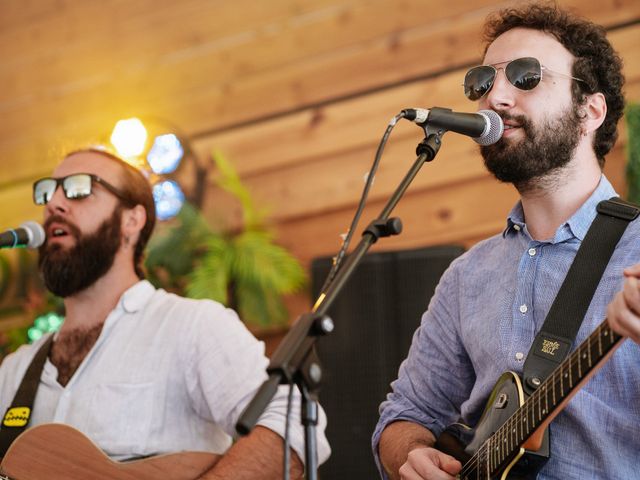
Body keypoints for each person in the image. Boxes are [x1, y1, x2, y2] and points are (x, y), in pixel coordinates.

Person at [373, 3, 639, 479]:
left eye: (526, 76)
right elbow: (404, 414)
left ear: (590, 111)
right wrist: (409, 454)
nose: (495, 96)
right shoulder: (467, 276)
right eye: (482, 81)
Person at [0, 147, 330, 478]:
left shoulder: (190, 327)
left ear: (132, 220)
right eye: (48, 191)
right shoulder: (15, 372)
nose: (55, 203)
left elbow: (293, 422)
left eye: (79, 188)